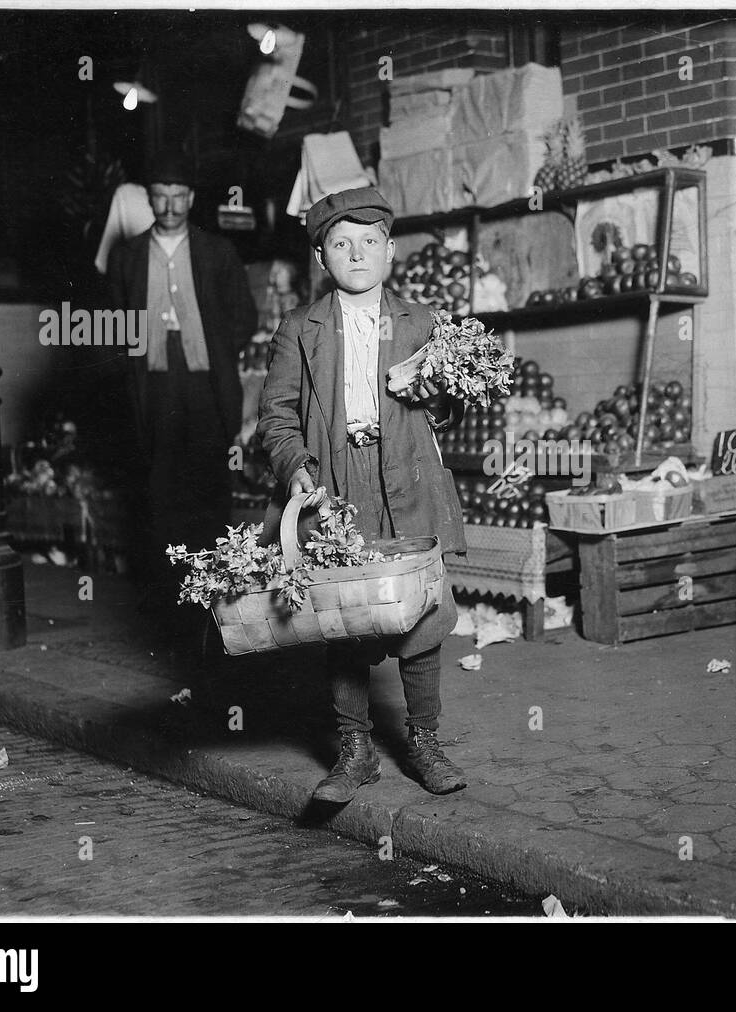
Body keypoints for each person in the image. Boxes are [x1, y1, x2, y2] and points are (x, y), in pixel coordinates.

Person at [257, 186, 469, 801]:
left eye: (369, 242)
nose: (357, 254)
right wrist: (296, 463)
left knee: (420, 611)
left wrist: (435, 395)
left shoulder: (423, 321)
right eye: (340, 243)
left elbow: (449, 406)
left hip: (405, 473)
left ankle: (425, 744)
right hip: (335, 483)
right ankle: (355, 750)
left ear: (391, 251)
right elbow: (276, 416)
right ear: (321, 258)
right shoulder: (301, 328)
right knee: (344, 616)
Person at [106, 149, 258, 624]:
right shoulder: (127, 257)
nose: (169, 206)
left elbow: (244, 316)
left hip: (206, 386)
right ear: (147, 199)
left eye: (178, 197)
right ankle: (170, 594)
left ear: (191, 198)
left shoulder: (217, 252)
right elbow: (113, 325)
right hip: (153, 386)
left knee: (210, 486)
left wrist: (211, 342)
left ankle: (217, 592)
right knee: (160, 486)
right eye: (160, 197)